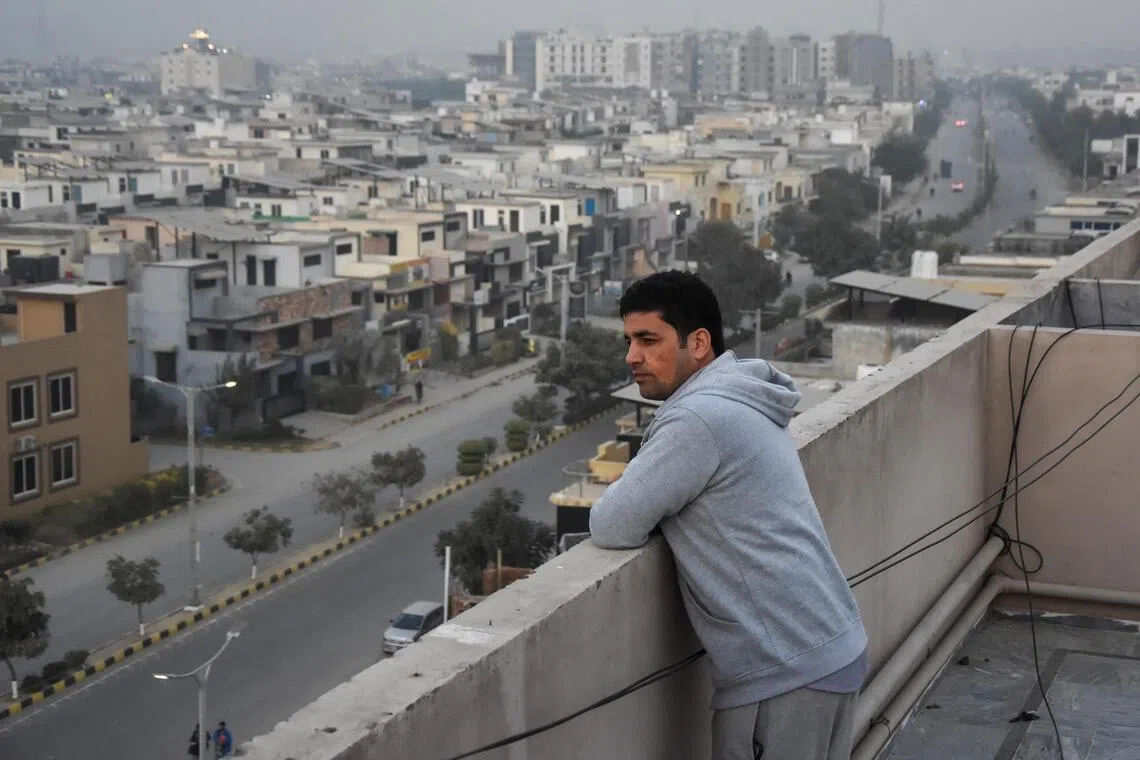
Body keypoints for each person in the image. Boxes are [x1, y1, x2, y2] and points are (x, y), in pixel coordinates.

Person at [589, 270, 867, 760]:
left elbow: (612, 525)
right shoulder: (740, 397)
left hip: (784, 671)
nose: (631, 357)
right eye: (629, 341)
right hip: (827, 648)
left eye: (648, 340)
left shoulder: (698, 418)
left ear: (698, 343)